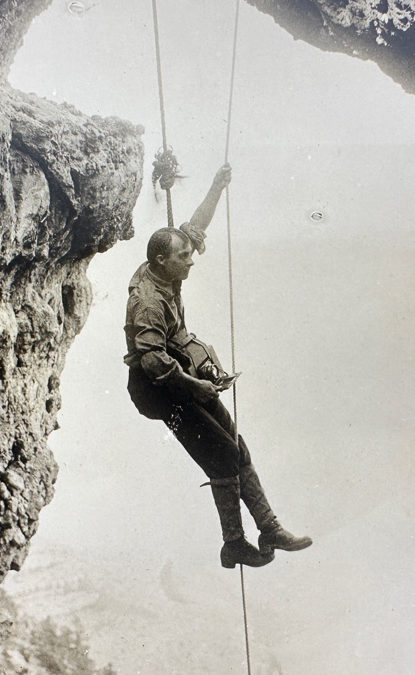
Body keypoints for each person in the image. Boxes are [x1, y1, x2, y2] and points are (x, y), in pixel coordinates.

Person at [123, 164, 312, 568]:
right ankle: (233, 543)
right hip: (157, 390)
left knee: (235, 445)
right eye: (183, 257)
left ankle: (269, 527)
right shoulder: (148, 302)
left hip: (178, 377)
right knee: (222, 456)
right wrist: (196, 386)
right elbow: (153, 360)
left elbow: (194, 226)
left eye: (188, 254)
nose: (190, 261)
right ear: (162, 261)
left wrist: (216, 187)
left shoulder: (164, 269)